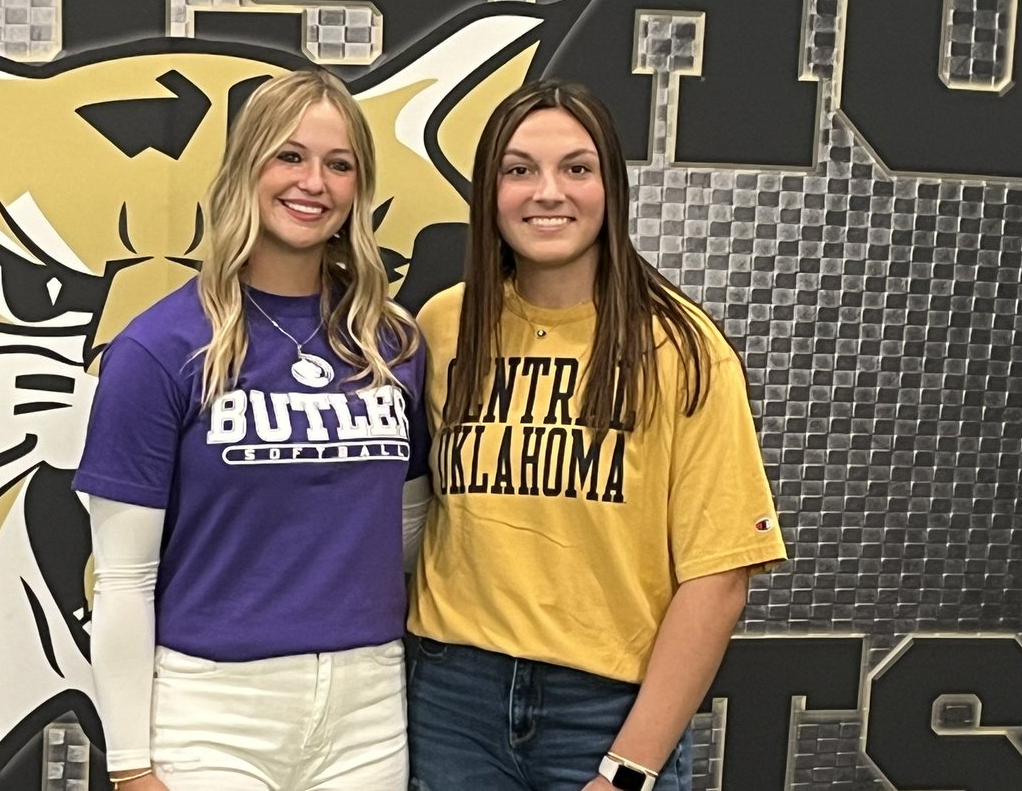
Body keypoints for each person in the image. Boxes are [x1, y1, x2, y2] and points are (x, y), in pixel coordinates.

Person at [406, 80, 787, 791]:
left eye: (576, 169)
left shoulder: (684, 348)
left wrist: (629, 769)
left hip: (607, 712)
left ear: (610, 187)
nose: (547, 192)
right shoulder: (442, 325)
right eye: (519, 170)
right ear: (489, 191)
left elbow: (719, 576)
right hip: (453, 698)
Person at [75, 70, 429, 791]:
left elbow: (409, 532)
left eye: (339, 164)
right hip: (212, 712)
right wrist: (130, 766)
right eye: (288, 156)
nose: (314, 182)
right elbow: (123, 580)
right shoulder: (161, 348)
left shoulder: (393, 346)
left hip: (370, 707)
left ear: (359, 188)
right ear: (245, 170)